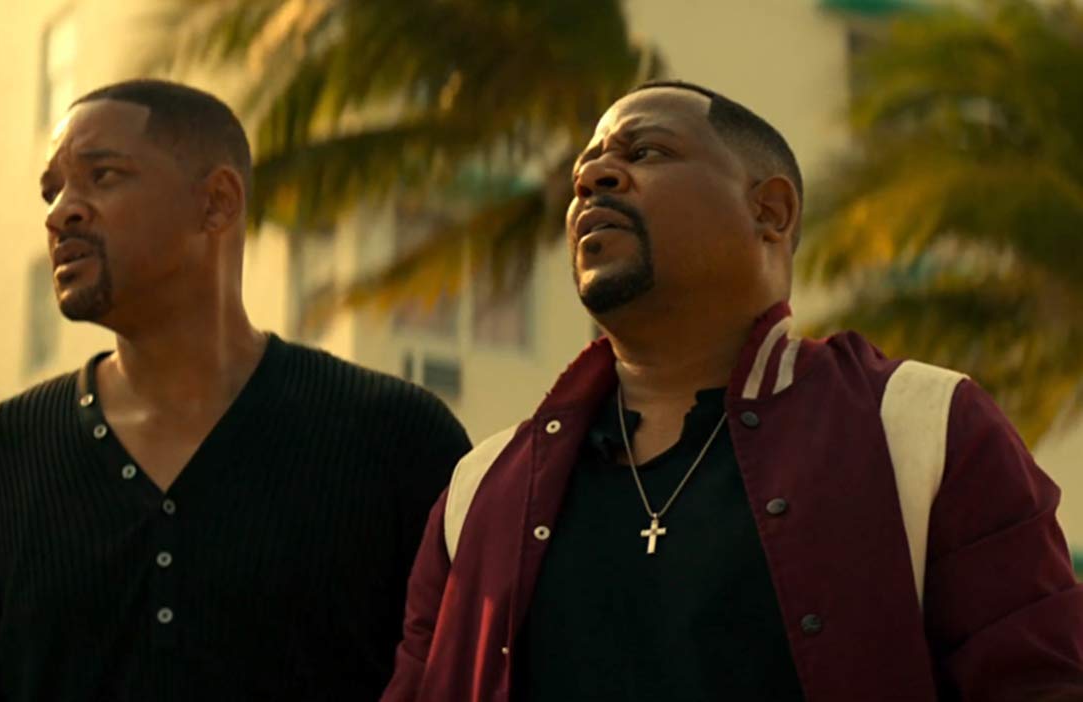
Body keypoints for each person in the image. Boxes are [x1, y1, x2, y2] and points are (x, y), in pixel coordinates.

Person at [382, 80, 1083, 701]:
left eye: (646, 152)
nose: (595, 175)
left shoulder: (924, 428)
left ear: (770, 211)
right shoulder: (481, 492)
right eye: (583, 173)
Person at [0, 79, 470, 702]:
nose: (60, 211)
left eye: (103, 176)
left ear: (217, 202)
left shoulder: (397, 440)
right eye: (53, 190)